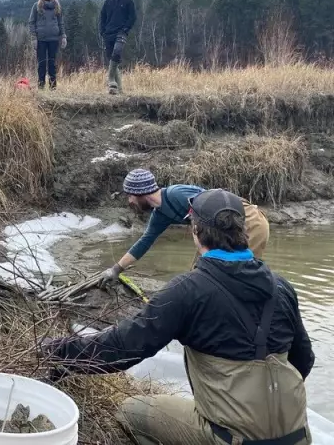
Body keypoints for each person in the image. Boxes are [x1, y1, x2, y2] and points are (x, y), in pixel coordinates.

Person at [45, 188, 313, 445]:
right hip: (297, 434)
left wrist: (56, 351)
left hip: (233, 438)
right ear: (242, 230)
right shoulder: (282, 287)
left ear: (196, 232)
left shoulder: (187, 290)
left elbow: (122, 348)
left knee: (129, 411)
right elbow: (304, 359)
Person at [100, 168, 270, 287]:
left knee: (238, 273)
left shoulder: (177, 194)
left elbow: (214, 204)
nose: (130, 202)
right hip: (220, 228)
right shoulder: (160, 214)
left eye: (130, 196)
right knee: (199, 273)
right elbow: (144, 242)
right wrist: (116, 270)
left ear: (139, 193)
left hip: (247, 221)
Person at [98, 0, 136, 95]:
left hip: (121, 32)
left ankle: (110, 79)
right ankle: (118, 90)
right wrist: (102, 31)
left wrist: (125, 29)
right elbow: (102, 17)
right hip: (108, 33)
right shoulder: (108, 2)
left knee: (117, 53)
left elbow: (132, 17)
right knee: (112, 60)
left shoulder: (128, 1)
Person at [28, 0, 66, 90]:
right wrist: (33, 38)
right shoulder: (36, 6)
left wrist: (63, 36)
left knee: (52, 64)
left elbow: (61, 22)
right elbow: (31, 23)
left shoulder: (57, 7)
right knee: (41, 63)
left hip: (53, 39)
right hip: (41, 40)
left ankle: (53, 87)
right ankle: (41, 86)